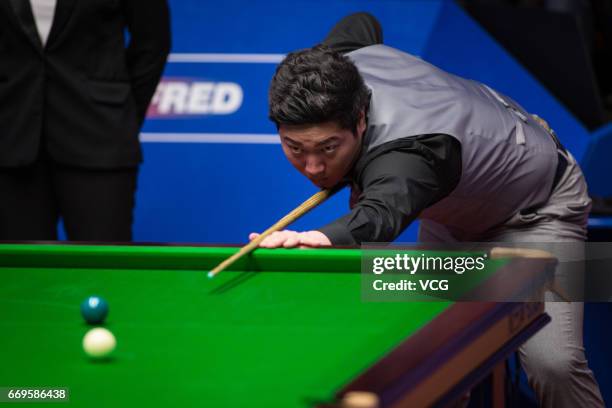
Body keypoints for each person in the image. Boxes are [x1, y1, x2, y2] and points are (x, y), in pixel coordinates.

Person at [250, 13, 605, 408]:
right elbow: (362, 22)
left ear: (361, 119)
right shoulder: (339, 66)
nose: (313, 168)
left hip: (537, 210)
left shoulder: (410, 156)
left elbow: (380, 215)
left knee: (552, 362)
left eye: (328, 148)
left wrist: (320, 239)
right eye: (296, 148)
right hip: (452, 223)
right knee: (431, 367)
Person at [0, 0, 171, 241]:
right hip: (10, 138)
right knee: (16, 272)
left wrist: (123, 114)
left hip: (99, 136)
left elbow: (153, 41)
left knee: (105, 268)